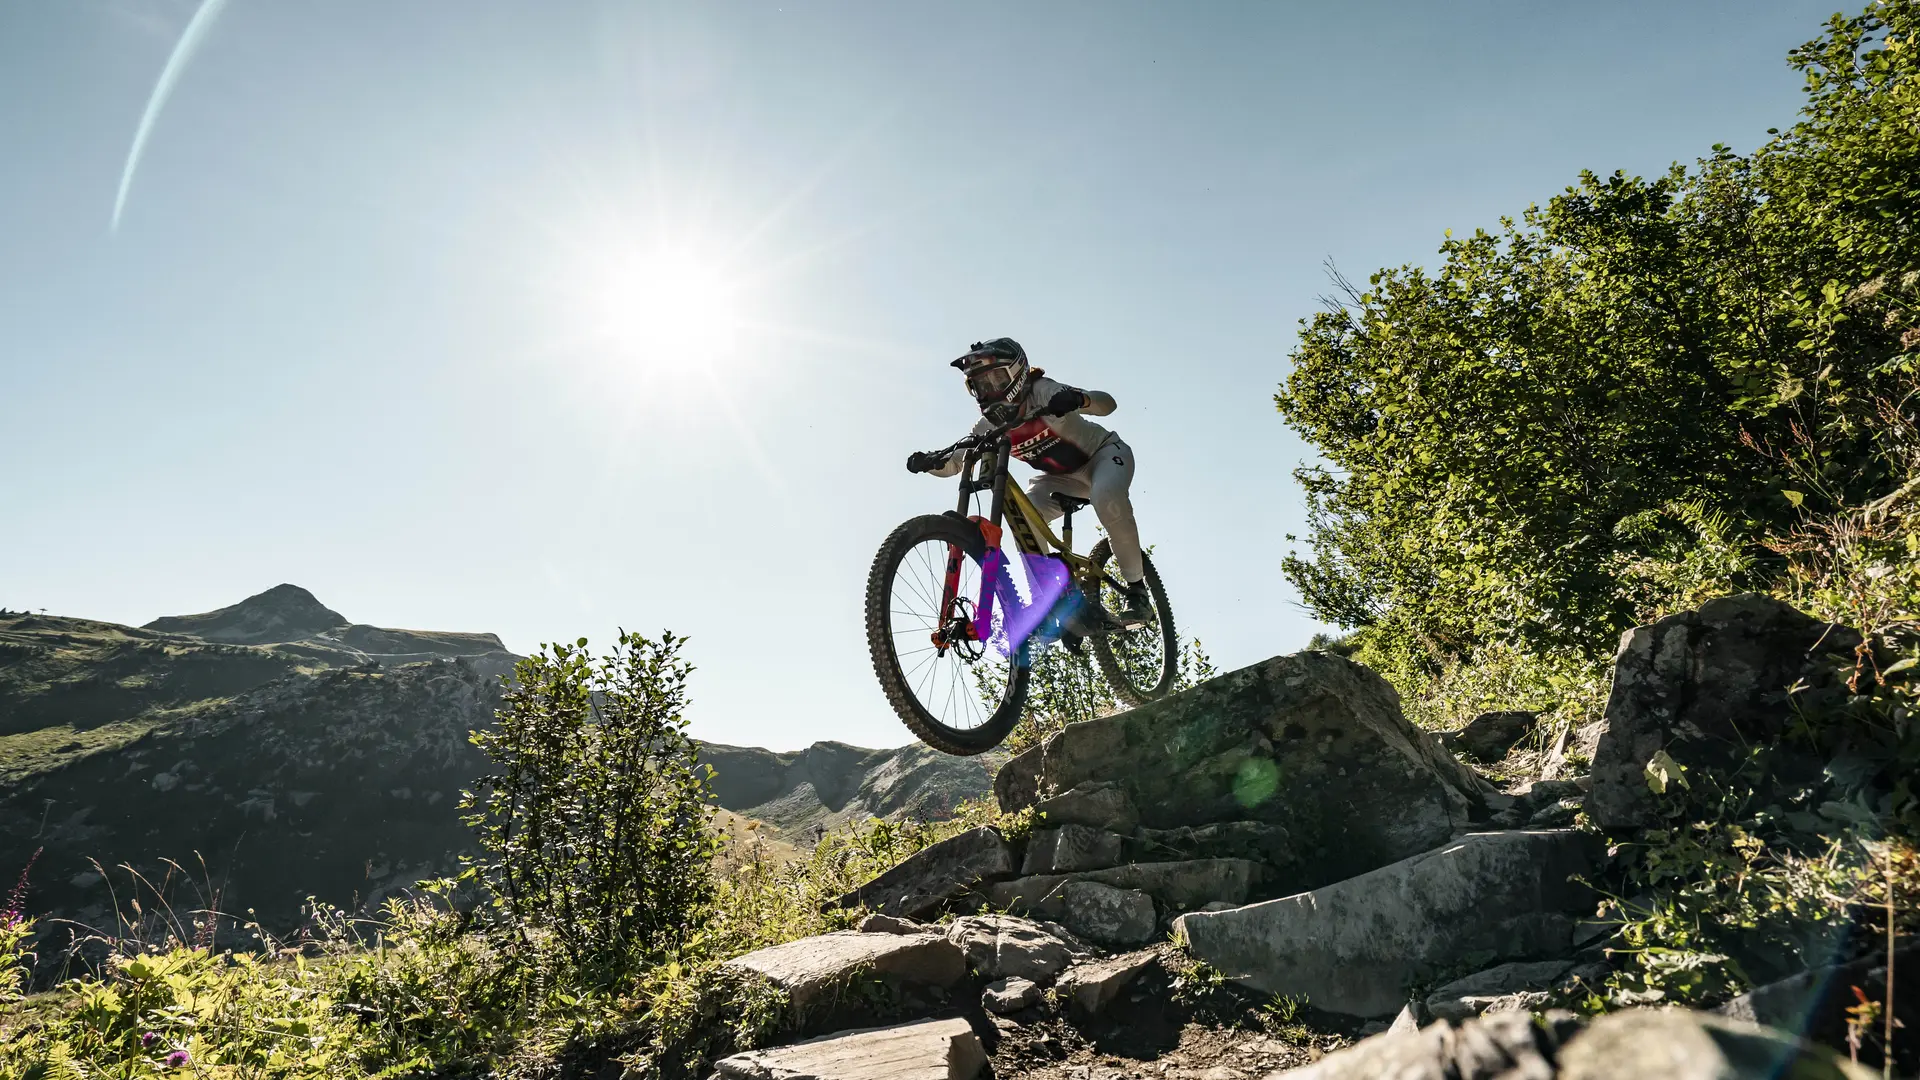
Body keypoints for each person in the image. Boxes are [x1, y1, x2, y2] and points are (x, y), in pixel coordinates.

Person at [905, 337, 1152, 624]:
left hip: (1104, 456)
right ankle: (1054, 601)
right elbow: (957, 461)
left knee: (1106, 497)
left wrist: (1078, 399)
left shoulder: (1043, 391)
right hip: (1059, 479)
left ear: (1018, 372)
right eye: (980, 385)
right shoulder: (990, 425)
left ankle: (1137, 589)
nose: (990, 390)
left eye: (996, 378)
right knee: (1023, 520)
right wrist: (931, 463)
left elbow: (1107, 404)